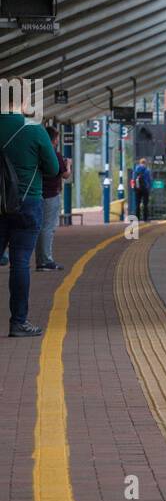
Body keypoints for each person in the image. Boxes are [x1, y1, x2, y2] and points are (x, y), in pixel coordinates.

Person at [0, 81, 60, 336]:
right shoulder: (34, 129)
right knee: (20, 263)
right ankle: (19, 322)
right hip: (27, 202)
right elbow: (53, 169)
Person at [35, 124, 70, 272]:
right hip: (51, 195)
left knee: (40, 228)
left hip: (37, 195)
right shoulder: (54, 155)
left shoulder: (36, 153)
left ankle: (41, 260)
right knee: (48, 228)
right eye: (56, 138)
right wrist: (68, 165)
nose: (57, 141)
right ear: (54, 139)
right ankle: (46, 261)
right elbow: (65, 175)